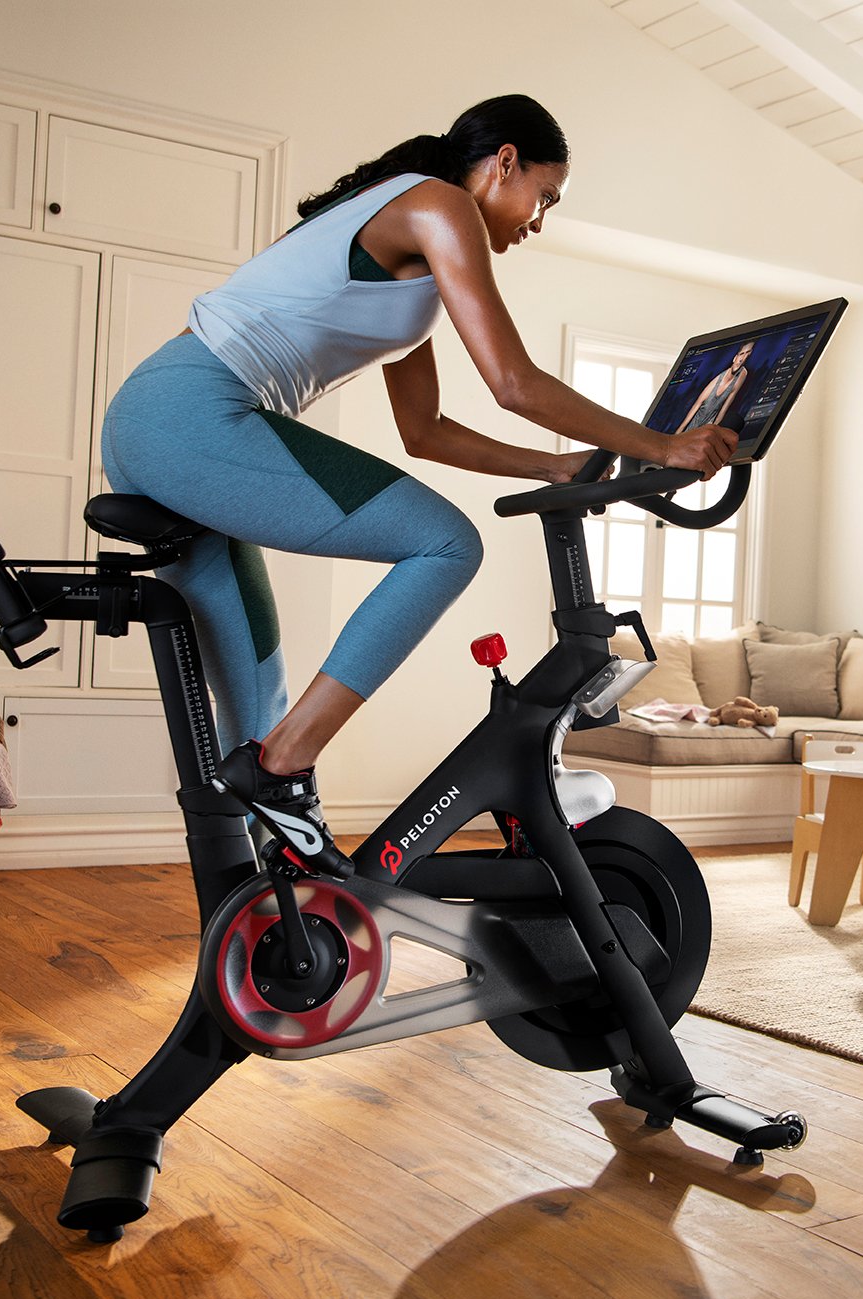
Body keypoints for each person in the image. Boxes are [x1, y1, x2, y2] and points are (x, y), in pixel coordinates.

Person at [99, 94, 739, 874]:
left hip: (160, 422)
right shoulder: (438, 207)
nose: (538, 221)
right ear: (504, 161)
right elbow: (513, 381)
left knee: (256, 705)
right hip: (192, 415)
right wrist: (663, 445)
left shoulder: (414, 247)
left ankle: (276, 913)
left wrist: (553, 465)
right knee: (444, 544)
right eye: (544, 196)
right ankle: (286, 763)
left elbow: (424, 431)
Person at [677, 339, 753, 432]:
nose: (743, 359)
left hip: (708, 430)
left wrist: (714, 431)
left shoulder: (743, 374)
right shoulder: (716, 381)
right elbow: (697, 404)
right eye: (742, 354)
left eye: (747, 355)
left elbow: (725, 408)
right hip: (692, 429)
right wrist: (679, 431)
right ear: (735, 358)